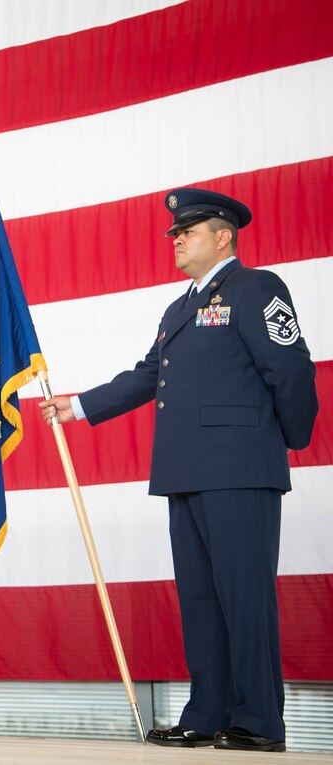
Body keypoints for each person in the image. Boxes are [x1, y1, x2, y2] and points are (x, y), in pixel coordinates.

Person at [39, 188, 318, 753]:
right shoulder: (178, 308)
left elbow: (291, 369)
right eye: (175, 233)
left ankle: (259, 722)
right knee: (199, 598)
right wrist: (82, 406)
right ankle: (208, 712)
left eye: (188, 232)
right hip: (185, 469)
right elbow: (149, 374)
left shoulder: (257, 288)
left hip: (240, 469)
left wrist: (286, 440)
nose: (177, 240)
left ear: (223, 237)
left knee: (244, 596)